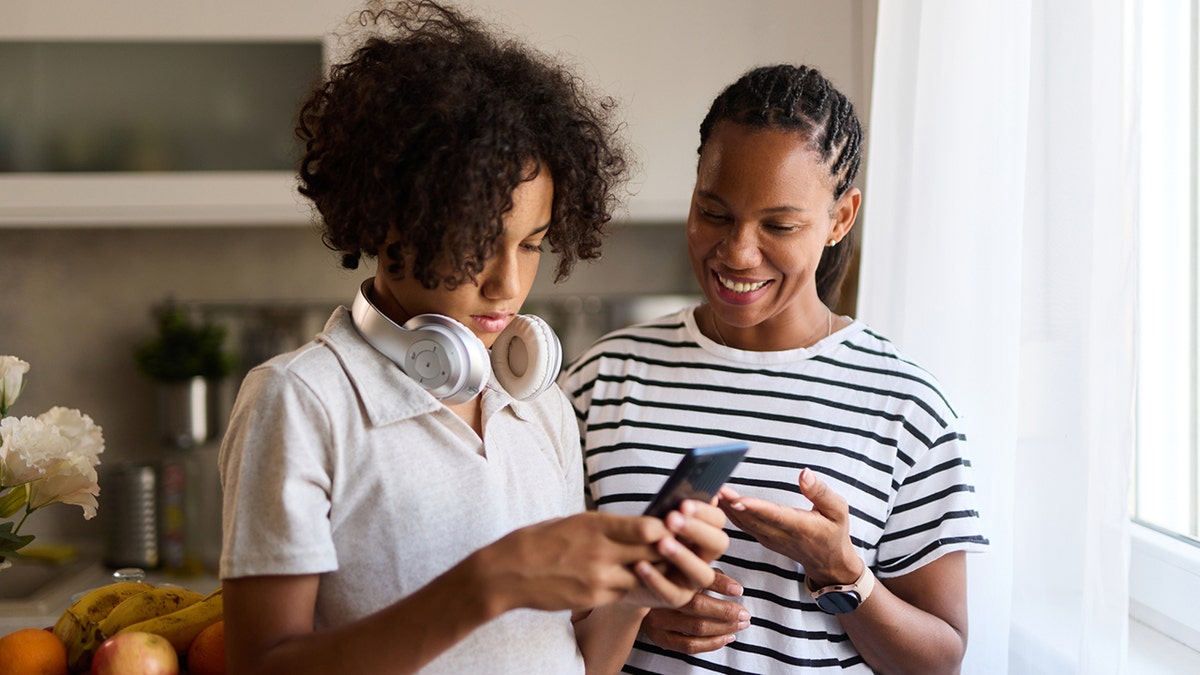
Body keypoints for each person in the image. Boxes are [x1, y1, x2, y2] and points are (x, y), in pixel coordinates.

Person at [217, 3, 729, 674]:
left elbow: (576, 662)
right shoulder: (301, 401)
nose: (507, 285)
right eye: (477, 242)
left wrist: (633, 595)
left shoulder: (539, 406)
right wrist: (488, 582)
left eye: (532, 244)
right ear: (389, 215)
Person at [561, 64, 989, 673]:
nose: (737, 251)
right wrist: (640, 610)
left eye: (780, 225)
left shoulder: (908, 408)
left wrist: (841, 572)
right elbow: (534, 611)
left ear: (840, 219)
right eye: (714, 213)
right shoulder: (601, 381)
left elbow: (938, 660)